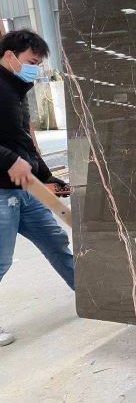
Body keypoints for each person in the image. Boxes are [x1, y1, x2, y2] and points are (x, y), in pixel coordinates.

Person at [0, 30, 74, 347]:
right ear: (9, 55)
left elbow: (24, 143)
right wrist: (8, 160)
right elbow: (13, 153)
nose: (35, 69)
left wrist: (47, 177)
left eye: (39, 64)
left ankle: (93, 296)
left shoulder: (17, 90)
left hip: (26, 190)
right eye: (31, 62)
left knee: (56, 241)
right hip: (2, 192)